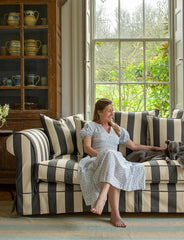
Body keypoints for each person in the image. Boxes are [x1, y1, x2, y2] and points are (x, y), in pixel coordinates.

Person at [78, 98, 165, 228]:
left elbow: (134, 146)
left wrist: (154, 148)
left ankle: (104, 200)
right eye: (108, 111)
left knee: (113, 159)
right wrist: (103, 155)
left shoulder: (117, 129)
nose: (112, 113)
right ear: (99, 112)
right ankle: (114, 213)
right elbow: (87, 148)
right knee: (110, 154)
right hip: (96, 160)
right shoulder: (91, 126)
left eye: (112, 110)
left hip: (115, 161)